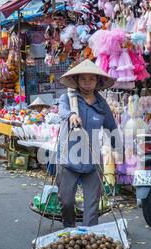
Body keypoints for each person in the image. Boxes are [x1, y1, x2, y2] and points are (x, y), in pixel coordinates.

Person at [56, 59, 121, 228]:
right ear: (76, 80)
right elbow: (62, 110)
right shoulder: (67, 98)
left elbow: (111, 127)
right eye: (83, 79)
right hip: (68, 158)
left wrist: (119, 149)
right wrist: (71, 115)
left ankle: (89, 236)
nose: (87, 82)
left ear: (98, 81)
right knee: (67, 202)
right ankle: (69, 231)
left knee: (92, 206)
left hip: (92, 160)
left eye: (91, 79)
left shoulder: (102, 104)